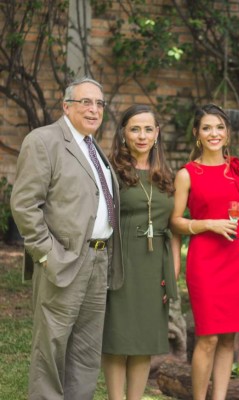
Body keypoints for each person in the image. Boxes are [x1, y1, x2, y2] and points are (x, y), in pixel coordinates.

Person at [10, 77, 123, 400]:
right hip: (64, 260)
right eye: (85, 102)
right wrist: (46, 254)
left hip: (98, 261)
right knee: (51, 349)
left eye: (99, 104)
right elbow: (24, 204)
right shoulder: (44, 140)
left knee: (86, 353)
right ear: (66, 106)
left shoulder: (91, 146)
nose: (93, 109)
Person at [171, 104, 239, 400]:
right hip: (205, 259)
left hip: (236, 256)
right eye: (206, 128)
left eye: (219, 127)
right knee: (208, 337)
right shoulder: (187, 174)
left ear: (228, 133)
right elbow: (175, 221)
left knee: (229, 336)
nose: (213, 133)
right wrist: (208, 224)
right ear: (197, 134)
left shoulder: (236, 170)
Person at [101, 105, 180, 399]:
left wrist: (171, 274)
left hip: (153, 266)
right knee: (117, 338)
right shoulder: (110, 171)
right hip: (121, 262)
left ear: (157, 133)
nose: (142, 135)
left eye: (148, 129)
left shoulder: (166, 175)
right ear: (123, 133)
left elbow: (174, 230)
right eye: (135, 129)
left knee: (143, 341)